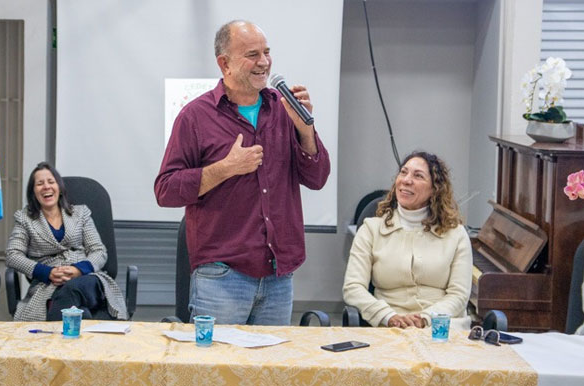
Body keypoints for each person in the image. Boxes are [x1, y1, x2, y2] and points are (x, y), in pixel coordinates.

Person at [154, 20, 330, 325]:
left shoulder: (285, 109)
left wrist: (306, 131)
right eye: (252, 54)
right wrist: (224, 169)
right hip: (222, 277)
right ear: (224, 63)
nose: (264, 62)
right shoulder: (195, 116)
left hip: (278, 275)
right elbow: (166, 189)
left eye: (266, 52)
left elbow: (317, 178)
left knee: (270, 370)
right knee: (217, 371)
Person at [342, 151, 472, 330]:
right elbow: (353, 288)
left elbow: (459, 295)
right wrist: (389, 317)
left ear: (435, 189)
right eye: (403, 172)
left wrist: (425, 319)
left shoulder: (456, 234)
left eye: (418, 176)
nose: (406, 180)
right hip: (389, 328)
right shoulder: (371, 229)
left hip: (441, 328)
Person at [6, 162, 128, 321]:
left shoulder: (80, 213)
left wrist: (78, 270)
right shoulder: (25, 219)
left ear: (59, 187)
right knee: (80, 311)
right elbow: (12, 255)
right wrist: (46, 272)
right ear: (33, 191)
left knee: (70, 290)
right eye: (40, 183)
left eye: (51, 182)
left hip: (88, 278)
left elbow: (99, 250)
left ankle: (58, 340)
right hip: (50, 284)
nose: (46, 187)